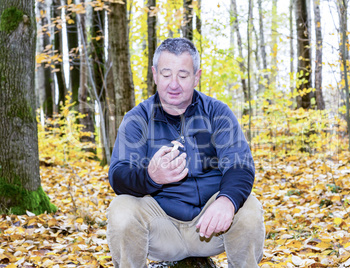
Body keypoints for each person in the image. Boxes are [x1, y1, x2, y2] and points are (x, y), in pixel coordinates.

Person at [106, 38, 265, 268]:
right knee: (120, 208)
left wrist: (226, 201)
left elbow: (240, 164)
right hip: (160, 228)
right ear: (155, 74)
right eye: (166, 74)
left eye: (183, 75)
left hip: (211, 227)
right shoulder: (137, 119)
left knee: (249, 207)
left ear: (196, 77)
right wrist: (151, 177)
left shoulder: (217, 112)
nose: (173, 84)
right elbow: (118, 175)